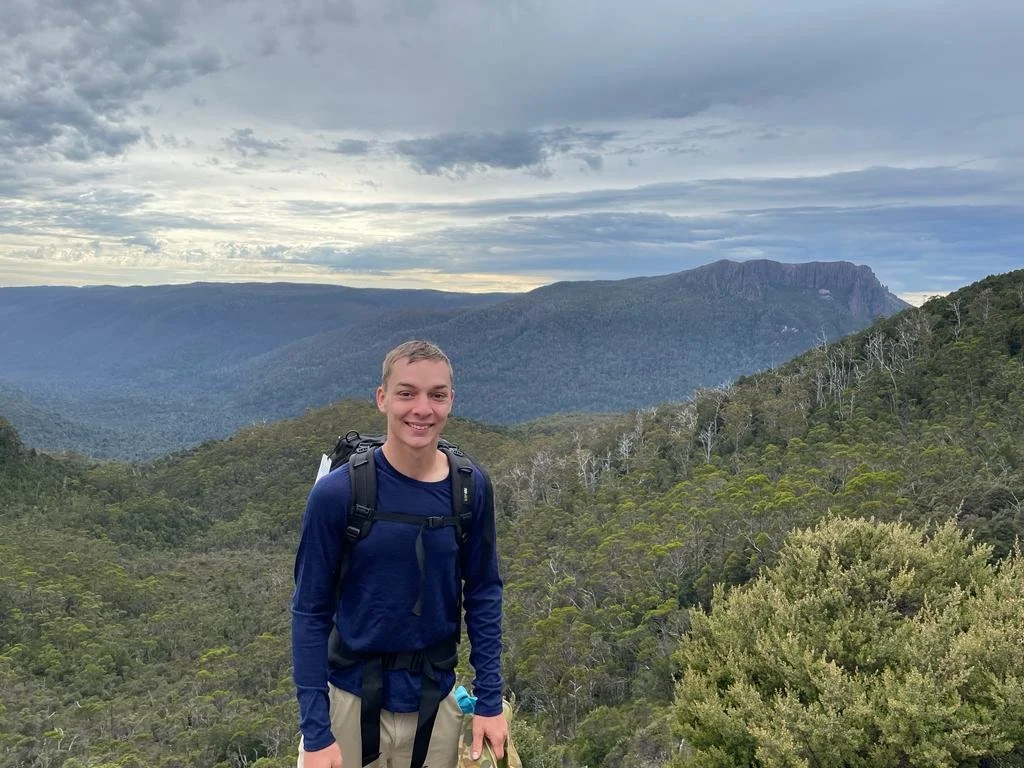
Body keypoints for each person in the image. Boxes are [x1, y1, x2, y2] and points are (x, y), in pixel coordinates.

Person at [292, 340, 508, 768]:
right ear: (382, 398)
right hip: (348, 702)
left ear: (451, 400)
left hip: (435, 703)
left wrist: (489, 701)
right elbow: (309, 612)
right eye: (407, 393)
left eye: (436, 395)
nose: (422, 409)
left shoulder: (470, 489)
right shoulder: (337, 494)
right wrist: (316, 733)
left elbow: (484, 593)